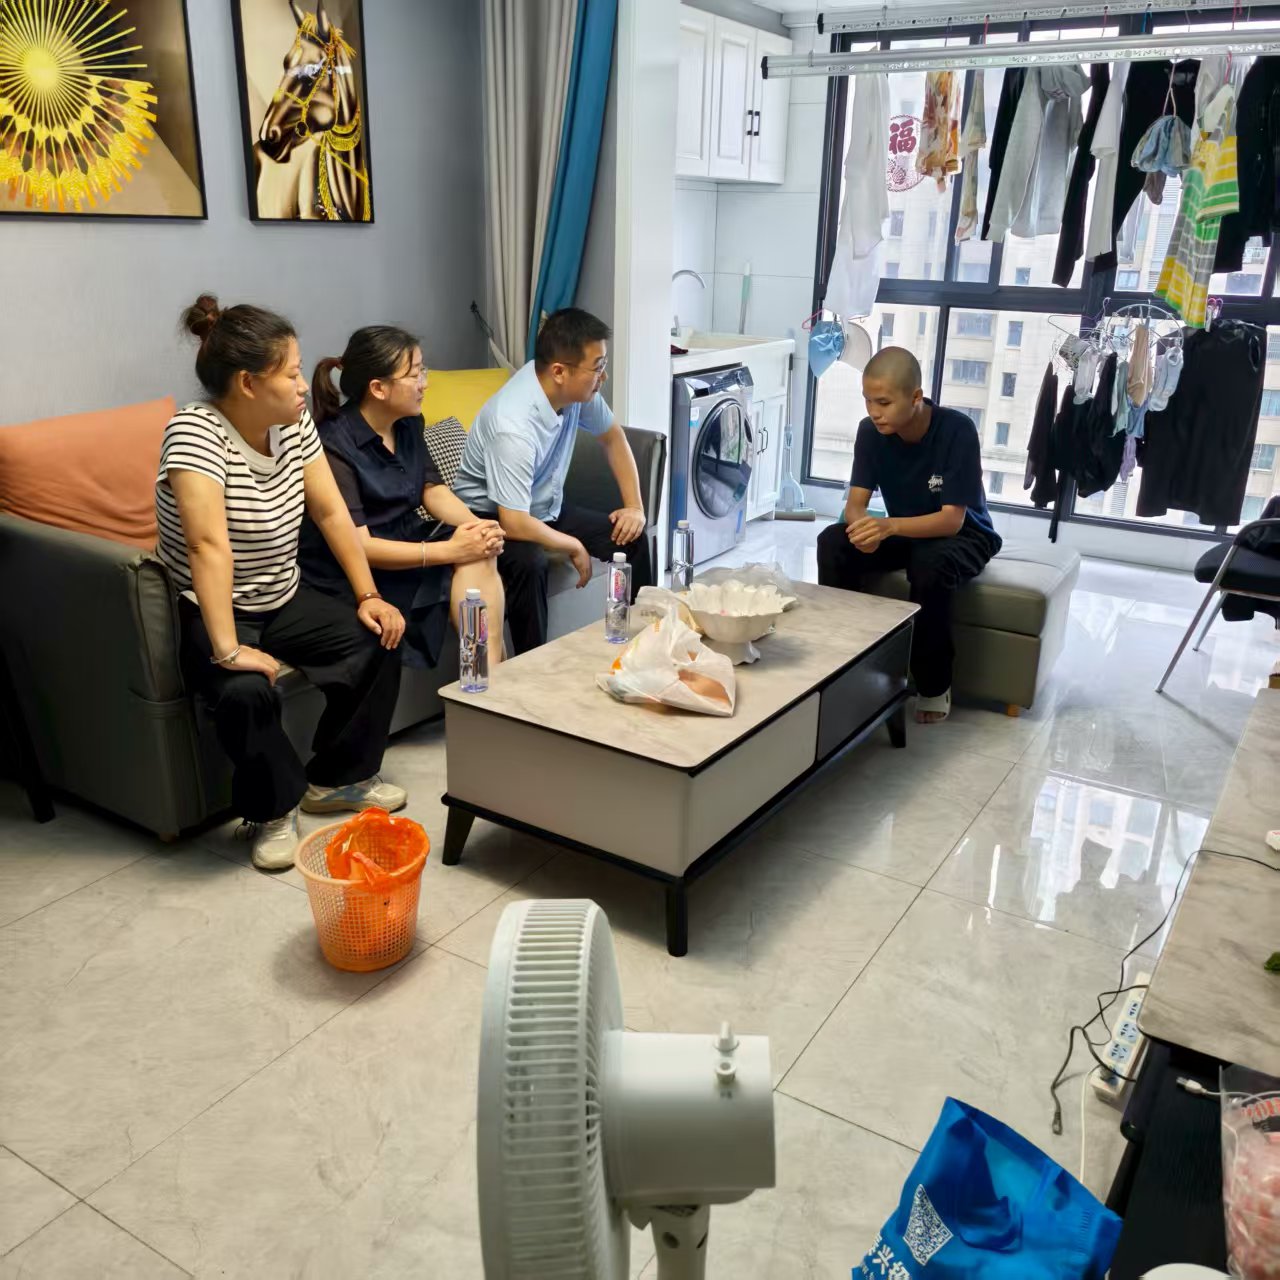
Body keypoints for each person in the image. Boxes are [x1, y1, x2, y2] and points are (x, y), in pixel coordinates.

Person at [157, 295, 408, 871]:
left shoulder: (293, 425)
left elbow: (331, 512)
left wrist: (368, 595)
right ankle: (273, 809)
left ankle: (337, 779)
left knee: (381, 636)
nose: (303, 385)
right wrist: (227, 649)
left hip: (283, 594)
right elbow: (207, 546)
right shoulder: (194, 433)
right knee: (242, 692)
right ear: (248, 383)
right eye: (291, 374)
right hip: (212, 605)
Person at [302, 326, 506, 671]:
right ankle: (485, 674)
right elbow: (360, 546)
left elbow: (431, 489)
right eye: (414, 375)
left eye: (422, 371)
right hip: (363, 566)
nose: (424, 383)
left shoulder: (407, 422)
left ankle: (486, 671)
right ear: (378, 388)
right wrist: (450, 550)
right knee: (467, 552)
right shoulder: (334, 443)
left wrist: (477, 527)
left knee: (480, 548)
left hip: (409, 537)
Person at [816, 346, 1001, 724]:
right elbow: (855, 505)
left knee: (928, 563)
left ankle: (934, 685)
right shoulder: (870, 432)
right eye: (868, 401)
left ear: (916, 397)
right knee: (833, 542)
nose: (874, 412)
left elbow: (951, 521)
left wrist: (887, 526)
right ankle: (843, 658)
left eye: (883, 402)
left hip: (965, 535)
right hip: (905, 529)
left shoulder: (957, 431)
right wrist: (862, 529)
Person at [451, 307, 653, 654]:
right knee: (529, 563)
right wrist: (573, 544)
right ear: (559, 371)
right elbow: (513, 522)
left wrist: (634, 506)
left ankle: (648, 641)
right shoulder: (513, 424)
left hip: (542, 506)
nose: (603, 377)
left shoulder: (574, 392)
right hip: (489, 517)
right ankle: (530, 664)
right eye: (598, 367)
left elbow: (613, 437)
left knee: (632, 538)